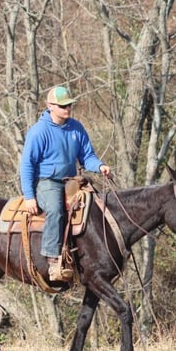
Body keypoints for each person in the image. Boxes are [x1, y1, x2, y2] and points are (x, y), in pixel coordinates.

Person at [20, 85, 112, 282]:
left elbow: (87, 156)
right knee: (56, 209)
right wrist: (29, 196)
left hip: (71, 182)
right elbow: (27, 165)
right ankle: (53, 260)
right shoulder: (39, 132)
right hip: (47, 183)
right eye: (62, 106)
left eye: (69, 105)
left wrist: (100, 166)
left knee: (94, 205)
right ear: (50, 106)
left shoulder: (76, 128)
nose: (67, 109)